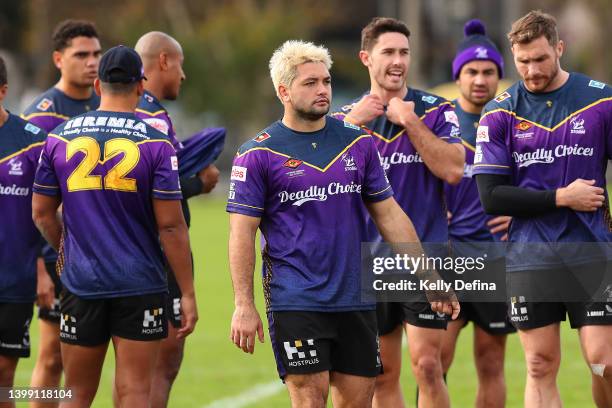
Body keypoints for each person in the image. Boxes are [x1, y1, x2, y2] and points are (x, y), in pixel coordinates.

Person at [227, 40, 458, 408]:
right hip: (295, 300)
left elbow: (390, 215)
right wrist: (244, 303)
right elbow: (242, 231)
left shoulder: (358, 143)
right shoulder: (258, 153)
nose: (323, 90)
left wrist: (429, 279)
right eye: (310, 83)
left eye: (327, 81)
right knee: (309, 400)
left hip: (355, 299)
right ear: (283, 91)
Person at [32, 45, 198, 407]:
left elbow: (42, 212)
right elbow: (170, 227)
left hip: (81, 281)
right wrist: (185, 292)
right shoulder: (156, 141)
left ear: (96, 85)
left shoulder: (58, 137)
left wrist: (66, 248)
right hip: (140, 282)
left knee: (74, 394)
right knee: (135, 391)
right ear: (141, 86)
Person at [474, 10, 612, 408]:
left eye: (540, 59)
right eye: (523, 61)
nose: (532, 70)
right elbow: (492, 196)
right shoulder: (499, 113)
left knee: (605, 361)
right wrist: (562, 197)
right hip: (530, 256)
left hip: (591, 252)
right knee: (538, 364)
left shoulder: (600, 100)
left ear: (559, 49)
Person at [332, 17, 465, 407]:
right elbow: (318, 181)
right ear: (365, 58)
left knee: (427, 365)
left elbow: (453, 169)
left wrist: (409, 120)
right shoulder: (342, 120)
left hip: (426, 255)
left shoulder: (436, 109)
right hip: (366, 260)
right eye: (388, 52)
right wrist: (353, 125)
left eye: (403, 52)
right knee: (381, 372)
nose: (397, 61)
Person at [133, 31, 220, 408]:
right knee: (161, 366)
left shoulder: (125, 114)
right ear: (164, 61)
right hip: (156, 256)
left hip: (113, 255)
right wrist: (199, 183)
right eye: (180, 64)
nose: (183, 75)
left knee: (120, 376)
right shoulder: (150, 117)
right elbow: (151, 193)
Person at [22, 20, 101, 401]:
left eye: (96, 54)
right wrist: (41, 266)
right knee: (53, 356)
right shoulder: (43, 117)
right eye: (81, 55)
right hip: (58, 255)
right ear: (58, 59)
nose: (92, 62)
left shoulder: (107, 104)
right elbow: (30, 201)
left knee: (88, 359)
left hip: (103, 255)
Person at [440, 19, 514, 408]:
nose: (480, 79)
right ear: (459, 75)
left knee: (491, 361)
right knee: (434, 362)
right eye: (471, 71)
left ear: (499, 76)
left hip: (494, 259)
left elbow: (536, 176)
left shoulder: (510, 121)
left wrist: (520, 214)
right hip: (446, 259)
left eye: (489, 72)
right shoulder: (439, 122)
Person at [0, 56, 46, 408]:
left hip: (14, 280)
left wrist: (44, 269)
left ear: (2, 92)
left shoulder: (33, 143)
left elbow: (50, 212)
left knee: (3, 377)